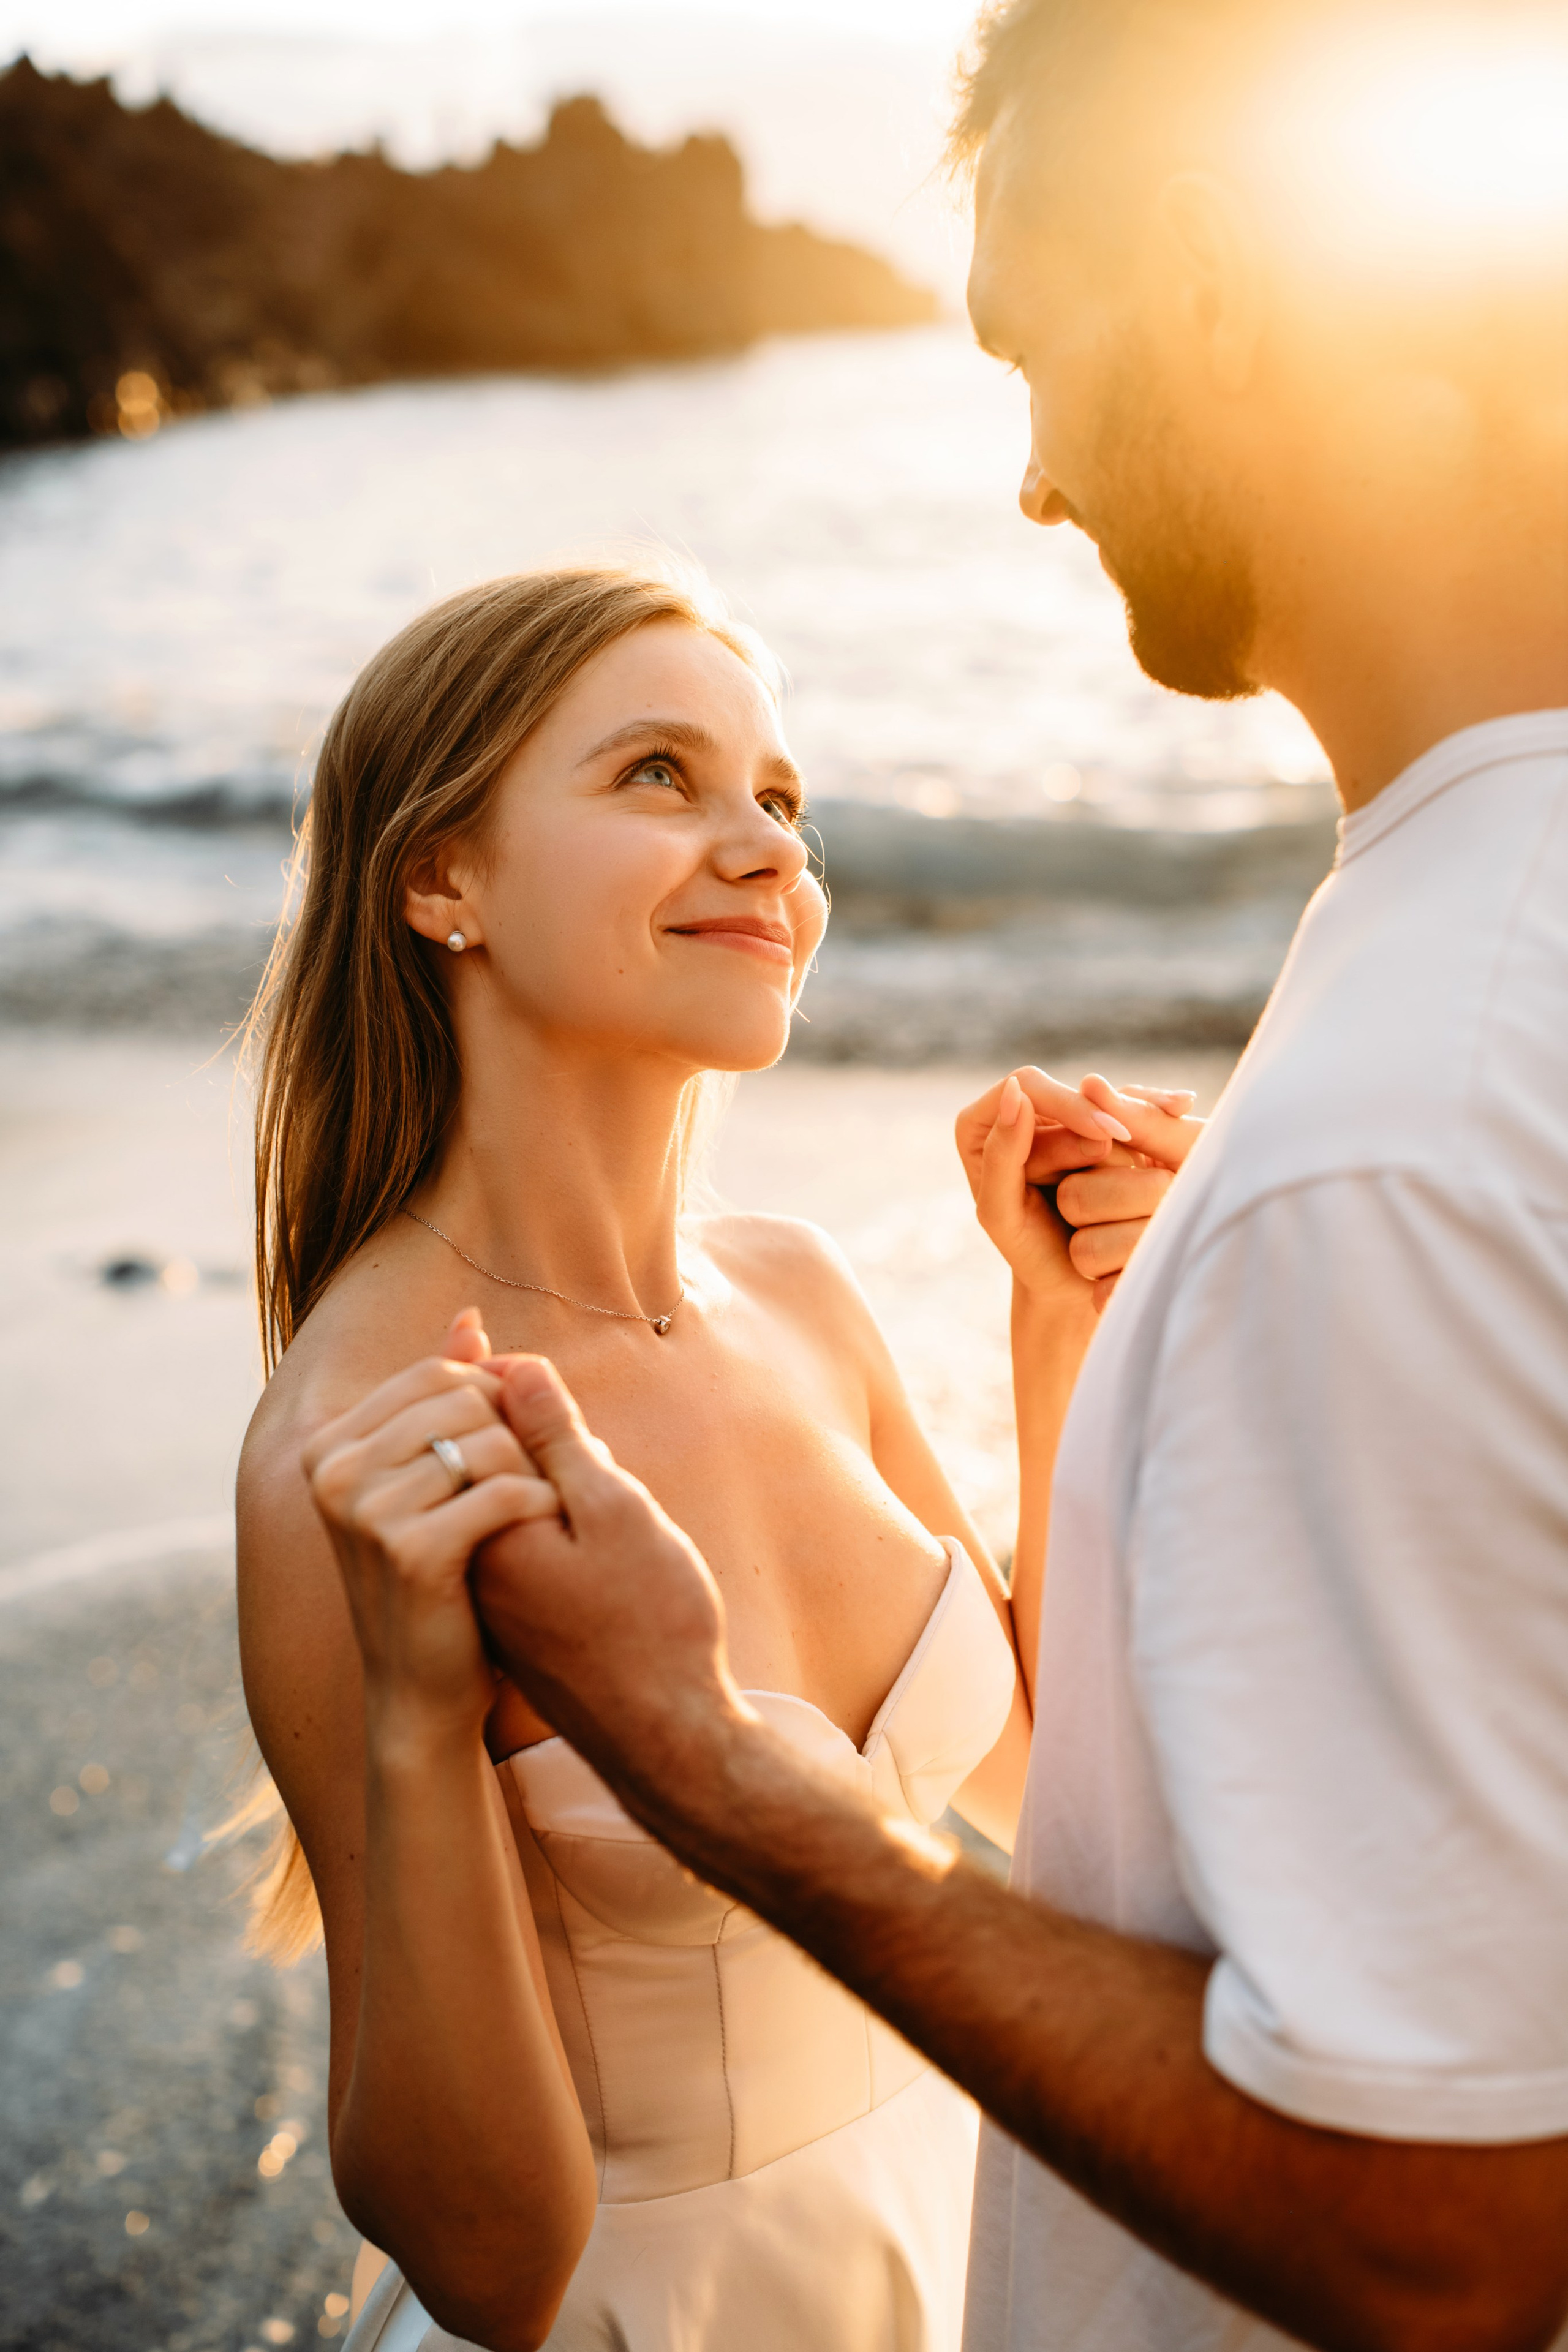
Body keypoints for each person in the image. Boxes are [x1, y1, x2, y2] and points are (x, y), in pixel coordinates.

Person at [461, 4, 1568, 2349]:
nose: (1040, 485)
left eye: (1031, 353)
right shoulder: (1466, 992)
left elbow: (1440, 2234)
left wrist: (717, 1762)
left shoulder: (1394, 1131)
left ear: (1211, 290)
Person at [235, 562, 1187, 2352]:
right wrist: (417, 1713)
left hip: (959, 2237)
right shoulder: (366, 1445)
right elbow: (491, 2268)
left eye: (783, 798)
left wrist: (1059, 1331)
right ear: (442, 881)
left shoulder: (803, 1288)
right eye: (660, 774)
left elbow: (1048, 1802)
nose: (768, 851)